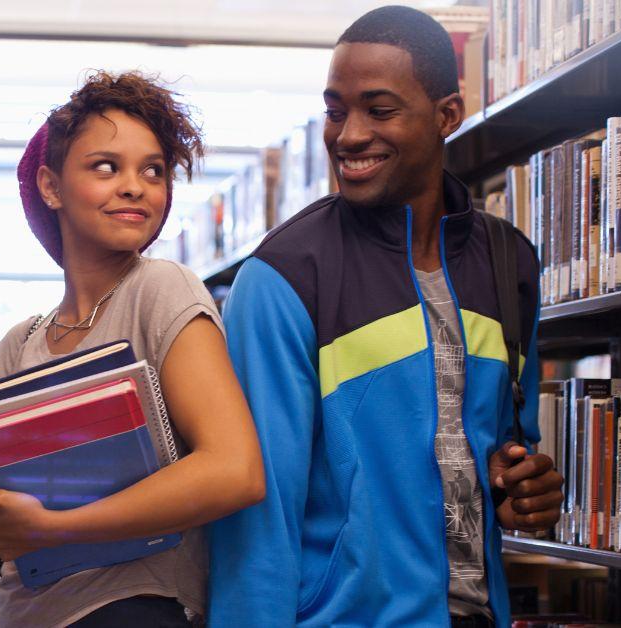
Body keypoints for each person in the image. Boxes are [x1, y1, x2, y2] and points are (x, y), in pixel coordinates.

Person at [0, 71, 265, 627]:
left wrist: (57, 528)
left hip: (129, 614)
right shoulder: (18, 346)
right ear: (51, 187)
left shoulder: (161, 290)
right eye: (106, 166)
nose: (134, 185)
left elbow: (234, 470)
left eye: (154, 170)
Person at [209, 7, 564, 628]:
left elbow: (511, 450)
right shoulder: (284, 277)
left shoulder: (511, 263)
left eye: (379, 109)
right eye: (336, 110)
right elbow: (257, 529)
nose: (347, 136)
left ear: (446, 116)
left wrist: (524, 491)